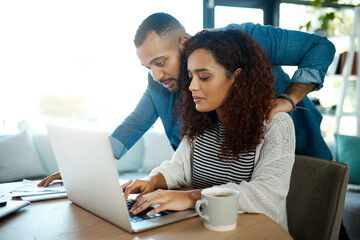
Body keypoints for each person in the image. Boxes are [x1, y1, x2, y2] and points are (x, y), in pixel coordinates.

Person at [38, 12, 335, 187]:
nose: (156, 75)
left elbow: (320, 47)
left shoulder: (241, 42)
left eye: (160, 61)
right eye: (148, 67)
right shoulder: (160, 85)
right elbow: (133, 126)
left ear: (184, 44)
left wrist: (289, 98)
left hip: (303, 161)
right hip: (230, 186)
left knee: (321, 225)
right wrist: (81, 167)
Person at [122, 28, 295, 231]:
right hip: (208, 227)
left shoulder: (275, 123)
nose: (192, 86)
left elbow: (266, 194)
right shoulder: (201, 121)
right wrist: (151, 181)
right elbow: (179, 168)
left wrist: (192, 197)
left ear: (237, 77)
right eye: (190, 76)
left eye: (204, 77)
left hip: (255, 232)